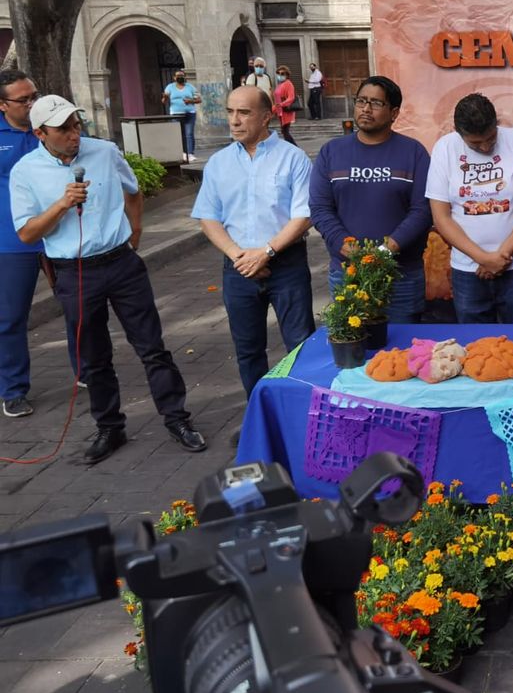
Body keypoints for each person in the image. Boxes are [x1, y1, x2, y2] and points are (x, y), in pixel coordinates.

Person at [10, 95, 205, 464]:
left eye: (76, 124)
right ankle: (110, 427)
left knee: (152, 347)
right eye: (63, 129)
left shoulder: (104, 151)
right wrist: (62, 205)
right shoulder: (25, 172)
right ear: (40, 133)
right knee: (93, 356)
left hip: (121, 263)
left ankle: (177, 419)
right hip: (74, 272)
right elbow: (27, 233)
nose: (74, 134)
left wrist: (135, 233)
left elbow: (133, 192)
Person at [192, 85, 315, 398]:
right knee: (248, 350)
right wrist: (240, 256)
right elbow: (208, 217)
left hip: (286, 265)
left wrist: (267, 252)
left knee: (300, 345)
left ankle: (302, 412)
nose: (234, 120)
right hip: (238, 268)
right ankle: (260, 415)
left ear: (266, 117)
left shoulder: (293, 158)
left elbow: (304, 215)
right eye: (230, 112)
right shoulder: (218, 163)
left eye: (244, 112)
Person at [311, 76, 432, 323]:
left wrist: (386, 251)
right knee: (353, 343)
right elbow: (320, 208)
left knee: (403, 345)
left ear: (394, 113)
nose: (366, 109)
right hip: (348, 274)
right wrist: (346, 246)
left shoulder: (414, 152)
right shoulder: (331, 152)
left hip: (401, 276)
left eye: (376, 103)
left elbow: (422, 209)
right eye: (361, 101)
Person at [427, 93, 513, 323]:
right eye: (474, 143)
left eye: (491, 138)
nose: (484, 147)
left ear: (496, 124)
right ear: (458, 132)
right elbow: (441, 218)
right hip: (467, 270)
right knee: (475, 342)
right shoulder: (445, 148)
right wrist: (483, 258)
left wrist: (501, 257)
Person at [0, 71, 42, 418]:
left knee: (82, 309)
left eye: (34, 96)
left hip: (61, 234)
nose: (31, 104)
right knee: (11, 318)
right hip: (13, 242)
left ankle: (88, 372)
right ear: (2, 105)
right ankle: (13, 390)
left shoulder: (51, 126)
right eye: (23, 99)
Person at [162, 68, 200, 163]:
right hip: (176, 114)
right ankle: (182, 153)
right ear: (174, 77)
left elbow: (199, 100)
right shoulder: (170, 87)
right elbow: (163, 101)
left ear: (185, 77)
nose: (180, 77)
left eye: (182, 76)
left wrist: (190, 101)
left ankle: (190, 154)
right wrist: (165, 97)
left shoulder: (190, 87)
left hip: (189, 113)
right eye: (178, 76)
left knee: (189, 134)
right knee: (179, 134)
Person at [272, 66, 299, 146]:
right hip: (280, 111)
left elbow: (291, 97)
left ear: (287, 75)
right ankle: (292, 147)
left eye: (282, 73)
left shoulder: (288, 84)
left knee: (285, 132)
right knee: (284, 131)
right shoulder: (280, 84)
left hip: (286, 111)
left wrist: (281, 104)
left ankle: (295, 148)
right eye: (278, 73)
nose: (280, 75)